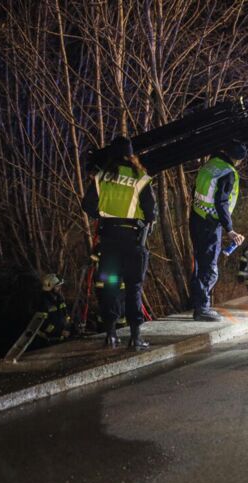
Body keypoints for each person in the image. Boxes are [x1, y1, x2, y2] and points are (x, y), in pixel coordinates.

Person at [81, 136, 158, 350]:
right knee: (133, 287)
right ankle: (135, 337)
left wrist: (103, 215)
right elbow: (151, 212)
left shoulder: (101, 177)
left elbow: (87, 205)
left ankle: (111, 335)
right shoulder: (141, 178)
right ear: (131, 155)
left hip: (109, 242)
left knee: (111, 285)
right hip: (133, 241)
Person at [190, 143, 247, 321]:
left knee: (200, 264)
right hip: (210, 223)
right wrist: (229, 229)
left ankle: (197, 304)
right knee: (210, 268)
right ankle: (202, 308)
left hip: (196, 218)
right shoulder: (228, 172)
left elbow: (195, 191)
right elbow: (221, 202)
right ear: (238, 160)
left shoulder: (209, 164)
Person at [35, 273, 72, 344]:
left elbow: (66, 315)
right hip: (47, 341)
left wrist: (68, 327)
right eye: (57, 286)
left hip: (61, 338)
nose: (60, 288)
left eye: (60, 286)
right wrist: (60, 332)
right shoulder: (43, 302)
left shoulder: (59, 299)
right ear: (49, 287)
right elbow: (42, 325)